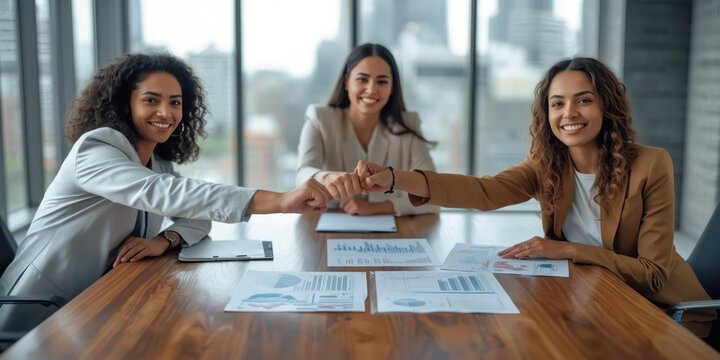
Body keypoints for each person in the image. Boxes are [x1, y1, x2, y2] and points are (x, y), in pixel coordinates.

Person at [346, 57, 715, 333]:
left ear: (607, 106)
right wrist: (394, 179)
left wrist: (568, 250)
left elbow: (651, 275)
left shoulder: (652, 164)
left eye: (583, 100)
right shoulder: (548, 164)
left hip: (669, 313)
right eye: (557, 103)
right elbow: (484, 191)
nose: (569, 113)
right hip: (600, 299)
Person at [0, 53, 332, 331]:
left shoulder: (155, 161)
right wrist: (280, 201)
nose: (166, 112)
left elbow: (196, 217)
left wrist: (164, 240)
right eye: (151, 100)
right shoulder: (96, 149)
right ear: (124, 103)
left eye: (175, 102)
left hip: (94, 305)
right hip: (40, 312)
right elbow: (165, 193)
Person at [296, 43, 439, 216]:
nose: (371, 89)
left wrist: (377, 208)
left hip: (393, 232)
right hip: (328, 224)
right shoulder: (319, 118)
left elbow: (433, 194)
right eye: (362, 79)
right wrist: (326, 177)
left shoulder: (408, 125)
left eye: (382, 81)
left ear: (392, 87)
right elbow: (302, 176)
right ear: (346, 82)